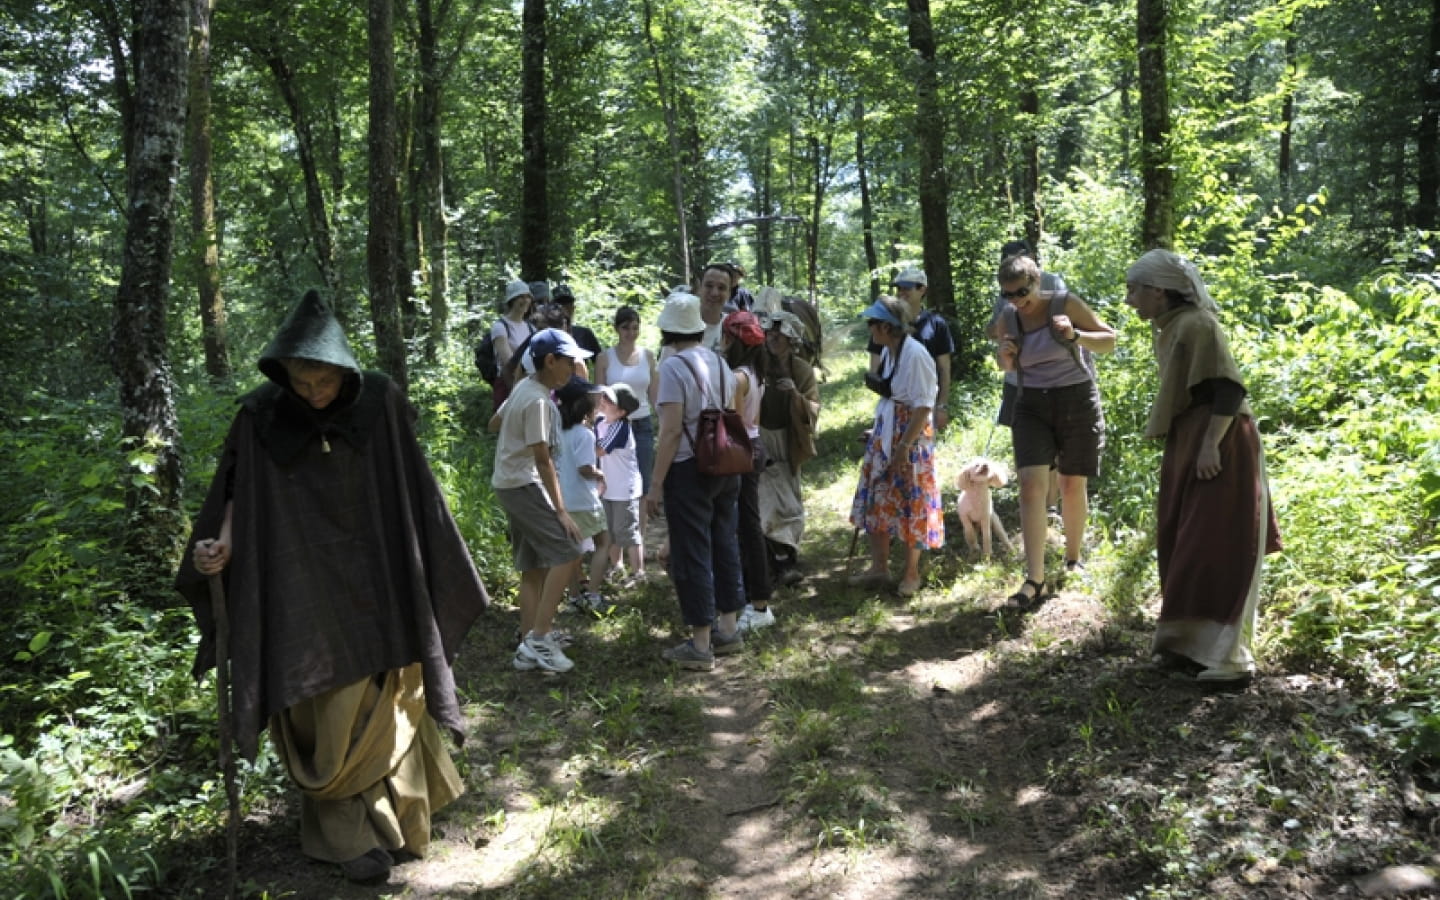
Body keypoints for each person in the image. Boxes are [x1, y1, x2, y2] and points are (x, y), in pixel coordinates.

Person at [175, 289, 488, 884]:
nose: (312, 393)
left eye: (321, 382)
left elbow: (410, 482)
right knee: (324, 700)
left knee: (388, 689)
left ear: (342, 370)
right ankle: (345, 835)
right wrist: (224, 545)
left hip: (380, 573)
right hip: (303, 586)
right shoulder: (261, 414)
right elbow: (241, 492)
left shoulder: (379, 402)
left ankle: (397, 819)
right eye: (301, 382)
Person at [1124, 249, 1282, 684]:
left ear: (1159, 291)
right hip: (1193, 437)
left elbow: (1227, 390)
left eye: (1134, 289)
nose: (1128, 299)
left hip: (1222, 440)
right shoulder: (1173, 326)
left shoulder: (1199, 324)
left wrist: (1211, 445)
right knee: (1184, 540)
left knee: (1217, 545)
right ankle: (1187, 647)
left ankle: (1230, 660)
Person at [994, 253, 1116, 608]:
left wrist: (1075, 334)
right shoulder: (1008, 318)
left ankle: (1073, 557)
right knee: (1032, 485)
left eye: (1021, 292)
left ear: (1037, 282)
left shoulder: (1065, 303)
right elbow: (1009, 368)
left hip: (1076, 397)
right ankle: (1034, 579)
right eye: (1008, 295)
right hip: (1030, 402)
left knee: (1070, 482)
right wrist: (1005, 356)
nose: (1016, 300)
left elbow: (1109, 341)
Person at [646, 291, 746, 670]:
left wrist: (655, 485)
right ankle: (728, 628)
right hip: (726, 464)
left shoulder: (672, 367)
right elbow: (731, 413)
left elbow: (671, 431)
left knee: (693, 550)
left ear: (668, 331)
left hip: (690, 469)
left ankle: (701, 646)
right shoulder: (719, 363)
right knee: (724, 542)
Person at [491, 327, 594, 673]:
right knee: (569, 550)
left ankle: (528, 642)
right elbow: (542, 458)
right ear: (550, 361)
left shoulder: (525, 388)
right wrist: (562, 511)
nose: (575, 368)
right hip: (522, 484)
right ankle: (539, 637)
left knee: (533, 567)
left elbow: (495, 423)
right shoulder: (537, 400)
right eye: (570, 362)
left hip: (510, 482)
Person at [849, 295, 944, 597]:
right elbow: (892, 395)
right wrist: (878, 431)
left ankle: (911, 573)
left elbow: (922, 407)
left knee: (911, 500)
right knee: (878, 495)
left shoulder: (915, 355)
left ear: (887, 327)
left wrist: (903, 446)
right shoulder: (892, 351)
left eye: (872, 323)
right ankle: (880, 567)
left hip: (910, 435)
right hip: (889, 429)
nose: (869, 329)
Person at [749, 308, 818, 623]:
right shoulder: (756, 363)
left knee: (789, 501)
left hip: (788, 440)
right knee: (763, 499)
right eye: (770, 334)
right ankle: (772, 562)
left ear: (791, 340)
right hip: (760, 437)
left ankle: (787, 559)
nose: (773, 339)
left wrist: (796, 397)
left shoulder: (801, 369)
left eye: (779, 335)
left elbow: (813, 408)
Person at [987, 240, 1067, 509]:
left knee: (1053, 441)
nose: (1015, 296)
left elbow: (1066, 321)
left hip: (1052, 377)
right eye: (1007, 257)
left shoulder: (1053, 283)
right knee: (1022, 436)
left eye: (1020, 256)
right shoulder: (1003, 293)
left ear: (1032, 257)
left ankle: (1051, 503)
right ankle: (1031, 497)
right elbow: (992, 330)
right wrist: (1005, 334)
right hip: (1016, 377)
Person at [720, 311, 773, 627]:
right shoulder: (755, 373)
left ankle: (759, 602)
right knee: (747, 525)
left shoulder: (737, 377)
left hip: (742, 453)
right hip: (754, 446)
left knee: (747, 526)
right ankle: (755, 599)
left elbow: (734, 423)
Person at [593, 305, 660, 544]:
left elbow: (655, 394)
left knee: (639, 484)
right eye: (625, 328)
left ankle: (637, 542)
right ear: (616, 329)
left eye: (635, 327)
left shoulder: (648, 356)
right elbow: (599, 396)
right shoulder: (604, 358)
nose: (630, 333)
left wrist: (664, 420)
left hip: (640, 425)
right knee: (610, 485)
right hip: (612, 426)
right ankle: (614, 548)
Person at [868, 267, 954, 431]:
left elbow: (944, 369)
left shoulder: (936, 324)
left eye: (906, 288)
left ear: (922, 289)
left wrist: (941, 406)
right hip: (893, 408)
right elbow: (875, 369)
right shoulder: (883, 325)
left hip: (923, 404)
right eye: (898, 288)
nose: (901, 292)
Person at [554, 375, 608, 611]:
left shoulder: (558, 431)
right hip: (585, 501)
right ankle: (593, 595)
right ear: (582, 405)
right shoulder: (584, 434)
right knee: (604, 542)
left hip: (565, 500)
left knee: (573, 551)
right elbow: (585, 468)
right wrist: (600, 475)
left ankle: (574, 596)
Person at [594, 382, 644, 584]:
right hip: (608, 488)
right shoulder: (601, 422)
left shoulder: (620, 428)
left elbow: (599, 450)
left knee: (628, 532)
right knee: (611, 531)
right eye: (603, 396)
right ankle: (618, 566)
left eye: (609, 400)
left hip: (625, 489)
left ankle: (639, 573)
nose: (603, 401)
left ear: (622, 412)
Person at [489, 279, 536, 409]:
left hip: (529, 383)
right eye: (521, 297)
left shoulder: (531, 328)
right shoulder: (500, 327)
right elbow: (508, 361)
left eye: (528, 297)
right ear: (512, 300)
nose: (525, 300)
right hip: (507, 385)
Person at [553, 283, 603, 358]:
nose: (564, 309)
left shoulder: (584, 334)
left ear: (573, 307)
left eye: (568, 304)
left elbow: (600, 360)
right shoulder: (546, 336)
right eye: (560, 305)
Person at [697, 263, 731, 350]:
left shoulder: (733, 328)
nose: (714, 293)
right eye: (709, 286)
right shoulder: (683, 324)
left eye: (721, 288)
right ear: (699, 288)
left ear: (729, 294)